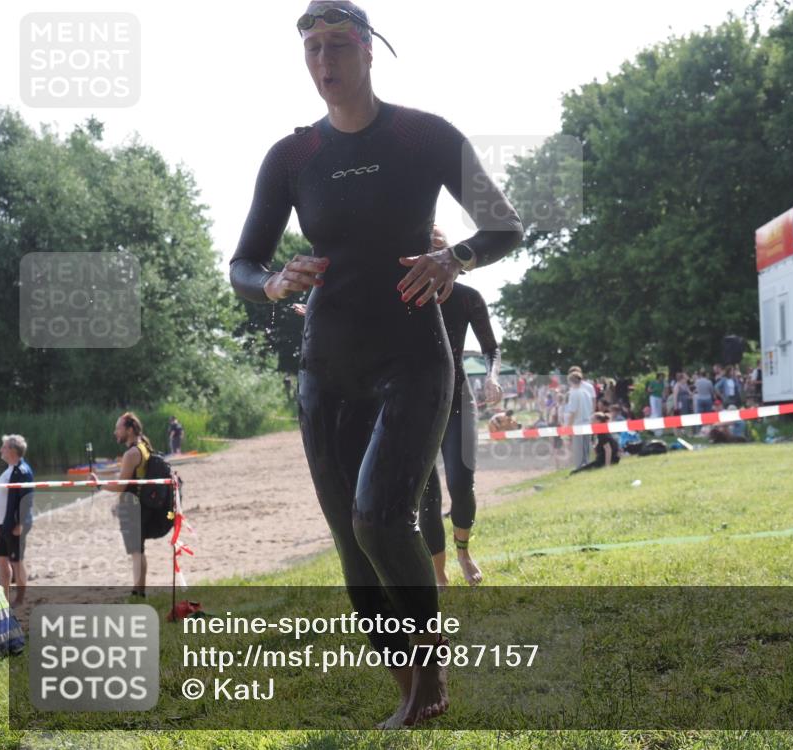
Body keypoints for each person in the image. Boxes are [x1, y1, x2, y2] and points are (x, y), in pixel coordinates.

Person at [228, 1, 522, 729]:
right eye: (312, 49)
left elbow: (505, 225)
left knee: (380, 519)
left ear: (368, 50)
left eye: (338, 44)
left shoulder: (423, 134)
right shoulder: (292, 156)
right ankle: (409, 686)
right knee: (354, 556)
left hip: (413, 358)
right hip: (326, 370)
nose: (324, 61)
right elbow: (243, 264)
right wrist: (273, 282)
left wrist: (454, 258)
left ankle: (431, 672)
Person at [418, 279, 503, 589]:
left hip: (458, 399)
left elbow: (491, 348)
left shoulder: (467, 297)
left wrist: (492, 377)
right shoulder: (403, 292)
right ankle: (438, 571)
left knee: (461, 481)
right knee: (427, 494)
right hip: (415, 403)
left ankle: (463, 552)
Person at [91, 413, 160, 598]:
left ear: (129, 430)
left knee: (136, 552)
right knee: (139, 551)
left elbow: (121, 485)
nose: (115, 432)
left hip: (134, 508)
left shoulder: (131, 454)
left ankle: (138, 593)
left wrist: (99, 484)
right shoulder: (144, 445)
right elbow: (131, 483)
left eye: (118, 428)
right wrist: (118, 502)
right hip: (141, 505)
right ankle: (140, 591)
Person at [0, 435, 33, 605]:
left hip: (15, 524)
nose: (0, 450)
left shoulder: (22, 471)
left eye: (3, 447)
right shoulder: (10, 469)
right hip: (4, 524)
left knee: (17, 562)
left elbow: (26, 500)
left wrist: (20, 523)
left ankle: (20, 600)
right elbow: (4, 498)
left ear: (13, 450)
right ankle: (5, 598)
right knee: (1, 559)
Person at [564, 372, 595, 469]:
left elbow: (573, 412)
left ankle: (579, 467)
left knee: (578, 448)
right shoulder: (586, 393)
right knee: (586, 447)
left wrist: (568, 426)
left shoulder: (573, 393)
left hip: (578, 424)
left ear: (570, 382)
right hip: (587, 422)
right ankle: (586, 464)